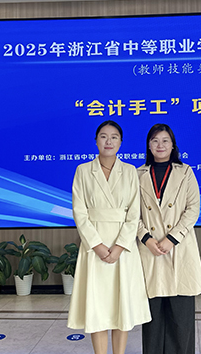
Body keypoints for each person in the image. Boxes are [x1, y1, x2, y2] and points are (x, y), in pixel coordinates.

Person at [67, 120, 151, 354]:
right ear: (96, 141)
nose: (108, 141)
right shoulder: (83, 170)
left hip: (122, 248)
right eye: (103, 136)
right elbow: (79, 212)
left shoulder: (130, 171)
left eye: (114, 137)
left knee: (120, 307)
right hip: (94, 248)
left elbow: (134, 214)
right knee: (98, 307)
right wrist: (97, 245)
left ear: (121, 142)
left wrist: (119, 246)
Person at [137, 123, 201, 354]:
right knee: (153, 319)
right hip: (150, 250)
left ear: (173, 145)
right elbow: (131, 214)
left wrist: (172, 239)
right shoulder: (137, 174)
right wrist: (147, 239)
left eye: (165, 140)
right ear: (149, 145)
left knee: (181, 319)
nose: (160, 145)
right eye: (155, 140)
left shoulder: (185, 172)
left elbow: (193, 209)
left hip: (178, 248)